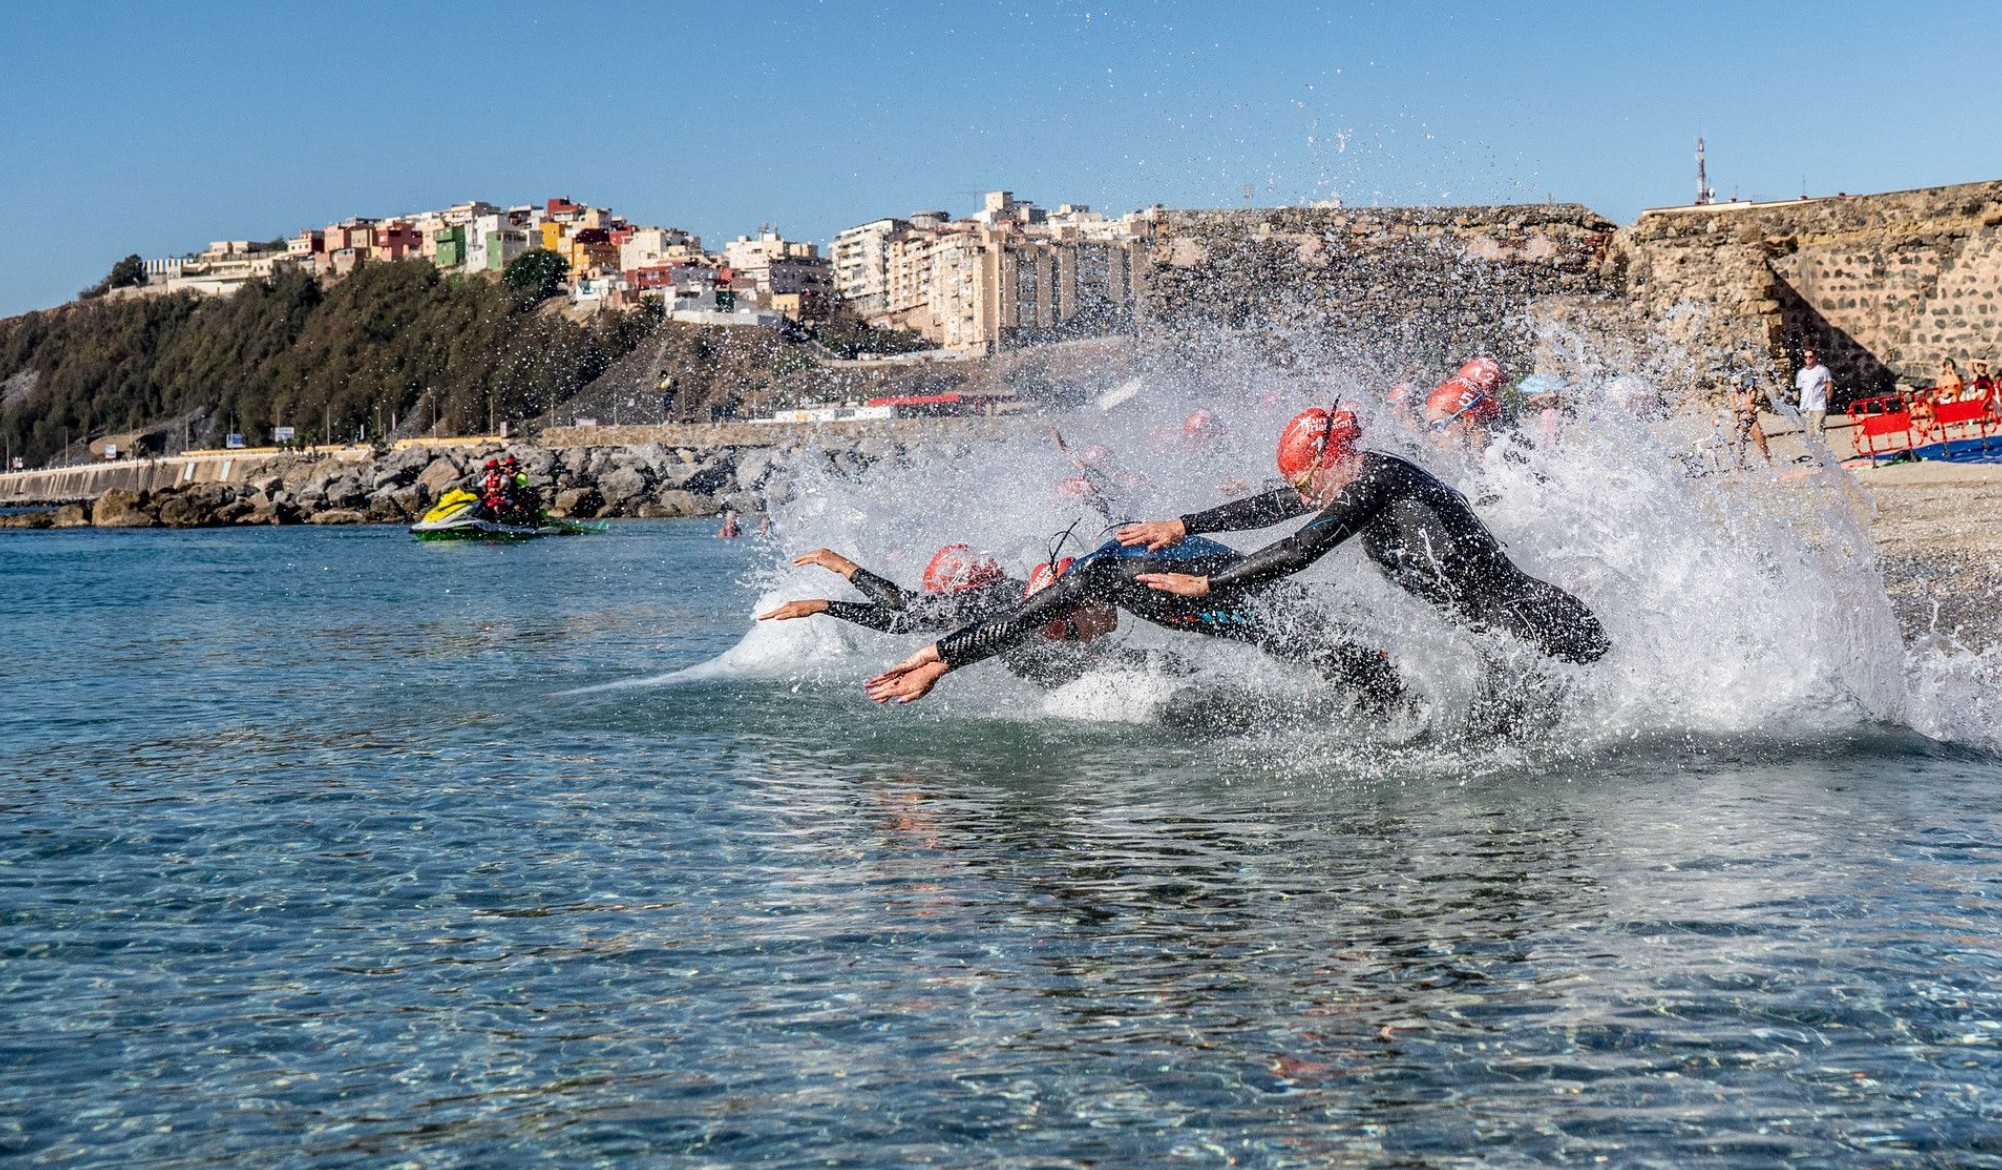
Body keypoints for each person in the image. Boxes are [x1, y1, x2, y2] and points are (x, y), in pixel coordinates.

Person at [1114, 406, 1608, 664]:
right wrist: (1184, 524)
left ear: (1329, 461)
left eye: (1305, 482)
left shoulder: (1376, 481)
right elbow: (1272, 508)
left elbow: (1299, 548)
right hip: (1498, 633)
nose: (1303, 495)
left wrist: (1211, 585)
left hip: (1528, 623)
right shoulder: (1350, 482)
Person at [860, 527, 1409, 712]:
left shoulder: (1108, 577)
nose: (1082, 643)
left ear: (1076, 608)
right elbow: (1019, 621)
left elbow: (1258, 598)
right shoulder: (1100, 583)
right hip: (1232, 603)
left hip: (1251, 593)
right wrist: (938, 660)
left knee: (1317, 647)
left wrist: (940, 662)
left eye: (1072, 632)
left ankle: (1399, 692)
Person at [761, 544, 1143, 689]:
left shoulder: (1005, 598)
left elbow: (901, 613)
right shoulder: (992, 600)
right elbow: (902, 615)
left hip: (1069, 670)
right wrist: (830, 598)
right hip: (1062, 674)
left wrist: (838, 584)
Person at [1794, 348, 1832, 447]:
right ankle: (1816, 456)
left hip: (1819, 405)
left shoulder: (1822, 370)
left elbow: (1829, 385)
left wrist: (1828, 399)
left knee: (1818, 430)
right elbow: (1800, 390)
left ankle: (1823, 455)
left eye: (1810, 357)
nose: (1808, 359)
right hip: (1806, 407)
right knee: (1810, 434)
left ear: (1815, 357)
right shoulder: (1801, 373)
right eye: (1806, 357)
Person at [1729, 377, 1771, 464]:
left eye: (1738, 384)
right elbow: (1734, 409)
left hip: (1752, 420)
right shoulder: (1732, 395)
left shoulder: (1750, 391)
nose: (1737, 386)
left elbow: (1751, 401)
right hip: (1741, 422)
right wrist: (1744, 407)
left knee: (1762, 443)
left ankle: (1769, 462)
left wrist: (1746, 405)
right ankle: (1740, 467)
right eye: (1735, 385)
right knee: (1740, 447)